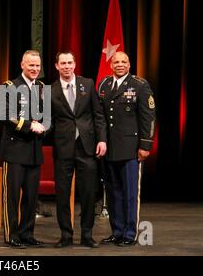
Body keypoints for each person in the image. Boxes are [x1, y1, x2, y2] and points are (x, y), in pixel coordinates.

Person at [98, 51, 156, 247]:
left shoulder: (140, 85)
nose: (120, 64)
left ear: (129, 65)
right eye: (116, 62)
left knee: (130, 193)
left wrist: (145, 145)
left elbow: (148, 117)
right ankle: (117, 231)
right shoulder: (104, 85)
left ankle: (130, 233)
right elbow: (102, 118)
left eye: (124, 61)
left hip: (131, 149)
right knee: (113, 192)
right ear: (111, 65)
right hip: (110, 149)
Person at [50, 51, 107, 248]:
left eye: (70, 62)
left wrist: (102, 140)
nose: (67, 66)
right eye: (63, 63)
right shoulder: (50, 90)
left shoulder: (88, 84)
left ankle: (87, 235)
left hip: (87, 147)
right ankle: (66, 235)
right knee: (63, 194)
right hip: (63, 148)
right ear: (57, 66)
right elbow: (49, 120)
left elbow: (98, 115)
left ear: (75, 64)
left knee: (88, 193)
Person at [0, 50, 47, 248]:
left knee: (31, 196)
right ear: (22, 65)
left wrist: (44, 125)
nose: (35, 69)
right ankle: (12, 235)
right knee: (12, 197)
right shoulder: (8, 87)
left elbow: (48, 116)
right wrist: (30, 125)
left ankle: (27, 233)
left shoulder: (43, 87)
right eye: (31, 65)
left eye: (37, 66)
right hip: (15, 150)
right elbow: (6, 115)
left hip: (35, 151)